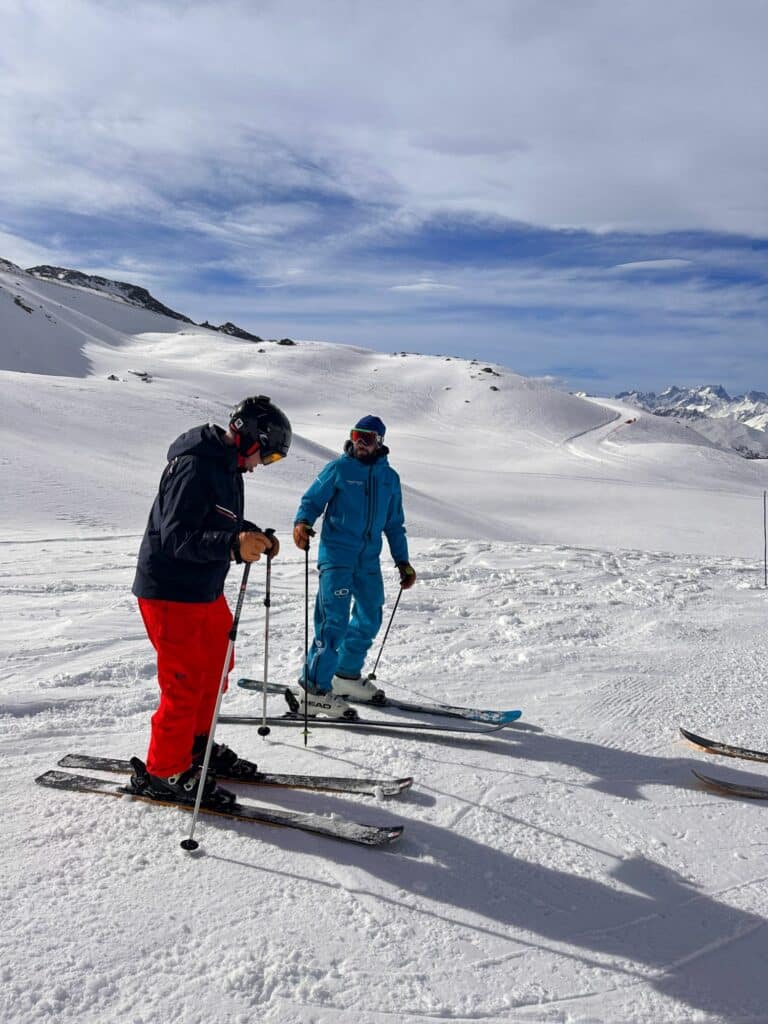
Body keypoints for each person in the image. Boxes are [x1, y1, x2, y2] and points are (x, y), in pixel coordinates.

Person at [130, 395, 291, 805]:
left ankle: (196, 747)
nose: (261, 465)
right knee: (184, 681)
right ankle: (164, 771)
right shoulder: (194, 465)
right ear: (249, 436)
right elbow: (177, 536)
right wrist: (234, 546)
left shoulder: (227, 467)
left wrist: (250, 534)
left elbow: (221, 521)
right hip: (170, 590)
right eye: (266, 455)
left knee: (218, 664)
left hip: (204, 589)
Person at [292, 415, 416, 718]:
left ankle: (345, 676)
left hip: (368, 559)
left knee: (370, 614)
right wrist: (302, 523)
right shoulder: (338, 468)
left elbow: (395, 524)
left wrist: (403, 561)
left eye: (368, 438)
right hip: (336, 556)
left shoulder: (390, 478)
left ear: (380, 442)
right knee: (333, 621)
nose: (360, 442)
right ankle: (313, 689)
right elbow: (311, 501)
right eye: (356, 435)